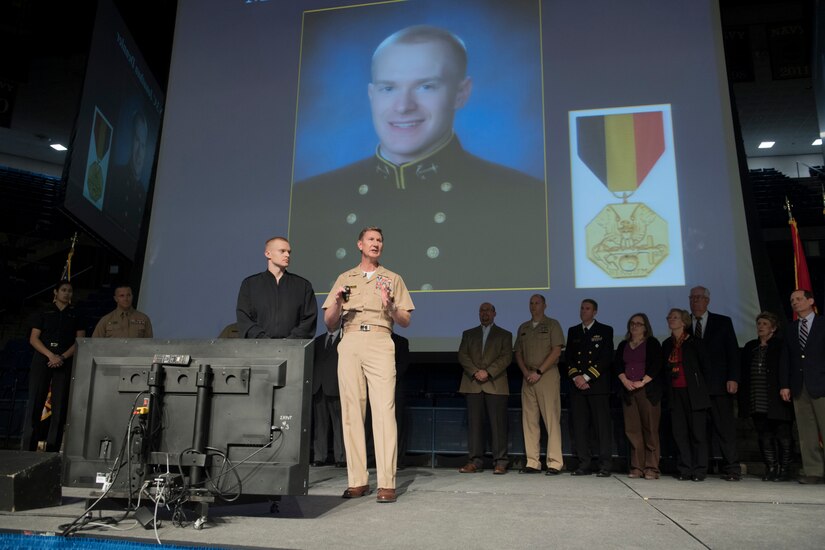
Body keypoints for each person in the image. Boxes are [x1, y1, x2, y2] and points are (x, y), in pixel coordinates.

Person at [290, 25, 547, 292]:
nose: (403, 106)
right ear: (371, 95)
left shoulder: (525, 197)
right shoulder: (308, 198)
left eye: (426, 86)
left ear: (462, 92)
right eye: (388, 88)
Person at [322, 227, 414, 503]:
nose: (376, 244)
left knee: (384, 411)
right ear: (360, 244)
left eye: (380, 240)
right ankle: (357, 481)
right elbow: (328, 322)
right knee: (351, 412)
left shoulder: (393, 278)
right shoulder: (345, 278)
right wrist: (337, 303)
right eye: (371, 240)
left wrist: (390, 306)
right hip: (349, 340)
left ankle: (386, 483)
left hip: (380, 340)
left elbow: (406, 320)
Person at [20, 280, 86, 452]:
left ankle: (53, 448)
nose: (67, 293)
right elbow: (34, 338)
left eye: (70, 291)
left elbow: (80, 341)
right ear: (55, 292)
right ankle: (28, 447)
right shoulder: (43, 311)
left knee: (60, 404)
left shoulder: (76, 314)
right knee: (36, 401)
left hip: (64, 361)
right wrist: (51, 355)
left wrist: (61, 357)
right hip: (43, 359)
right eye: (63, 290)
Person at [688, 285, 741, 480]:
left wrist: (733, 377)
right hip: (695, 388)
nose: (695, 301)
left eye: (699, 298)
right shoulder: (685, 325)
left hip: (719, 385)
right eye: (692, 298)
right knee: (698, 431)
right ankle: (700, 469)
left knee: (724, 429)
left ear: (707, 301)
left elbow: (733, 353)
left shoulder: (722, 322)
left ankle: (733, 468)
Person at [457, 302, 513, 475]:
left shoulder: (505, 334)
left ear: (495, 313)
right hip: (473, 384)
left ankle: (500, 462)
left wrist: (488, 372)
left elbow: (506, 357)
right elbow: (462, 355)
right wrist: (475, 372)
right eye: (482, 310)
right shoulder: (468, 334)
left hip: (495, 384)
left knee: (498, 426)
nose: (484, 313)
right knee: (474, 426)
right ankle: (474, 461)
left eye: (488, 310)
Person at [515, 294, 565, 475]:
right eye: (531, 303)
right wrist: (526, 372)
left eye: (537, 303)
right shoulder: (523, 327)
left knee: (551, 419)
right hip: (528, 377)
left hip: (547, 376)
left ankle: (554, 462)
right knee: (529, 420)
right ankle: (533, 462)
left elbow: (556, 351)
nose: (533, 306)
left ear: (545, 305)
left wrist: (539, 372)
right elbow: (518, 353)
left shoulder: (552, 324)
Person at [740, 312, 794, 481]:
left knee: (783, 435)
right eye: (759, 324)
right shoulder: (750, 347)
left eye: (764, 323)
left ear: (773, 328)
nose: (761, 327)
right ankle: (771, 468)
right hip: (757, 398)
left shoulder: (780, 345)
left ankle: (784, 469)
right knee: (764, 435)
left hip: (777, 398)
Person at [780, 289, 825, 484]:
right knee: (806, 432)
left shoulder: (823, 324)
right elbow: (786, 358)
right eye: (792, 300)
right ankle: (814, 471)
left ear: (811, 301)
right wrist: (784, 385)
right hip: (799, 386)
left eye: (799, 299)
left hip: (821, 383)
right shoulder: (791, 328)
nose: (795, 303)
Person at [565, 299, 614, 476]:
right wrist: (576, 377)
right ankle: (584, 464)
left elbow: (606, 358)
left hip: (597, 386)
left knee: (601, 428)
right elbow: (569, 357)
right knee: (580, 427)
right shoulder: (573, 331)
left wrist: (586, 376)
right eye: (582, 308)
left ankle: (605, 465)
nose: (583, 311)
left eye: (587, 308)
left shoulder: (605, 330)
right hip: (577, 386)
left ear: (595, 312)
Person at [662, 308, 712, 481]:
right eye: (669, 317)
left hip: (694, 393)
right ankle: (685, 468)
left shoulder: (695, 342)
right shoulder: (667, 344)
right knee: (679, 433)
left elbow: (706, 368)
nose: (671, 320)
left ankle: (699, 469)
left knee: (697, 433)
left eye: (674, 317)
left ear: (684, 322)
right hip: (675, 393)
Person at [236, 236, 317, 339]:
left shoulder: (303, 285)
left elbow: (309, 319)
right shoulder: (250, 284)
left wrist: (290, 342)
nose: (287, 255)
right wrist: (263, 340)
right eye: (282, 251)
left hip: (293, 350)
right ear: (268, 254)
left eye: (289, 252)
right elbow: (244, 318)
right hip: (258, 349)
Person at [613, 313, 663, 480]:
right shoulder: (623, 345)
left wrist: (643, 382)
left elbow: (657, 364)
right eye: (632, 323)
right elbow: (618, 365)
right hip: (629, 391)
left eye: (639, 324)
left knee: (650, 429)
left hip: (646, 391)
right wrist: (624, 380)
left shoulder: (652, 343)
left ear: (645, 327)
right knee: (632, 430)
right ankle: (637, 467)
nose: (635, 326)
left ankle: (652, 467)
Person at [104, 110, 149, 238]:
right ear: (130, 141)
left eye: (143, 145)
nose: (139, 152)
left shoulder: (144, 195)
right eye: (136, 140)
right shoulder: (114, 177)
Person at [311, 329, 346, 468]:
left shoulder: (345, 338)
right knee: (320, 424)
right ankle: (319, 457)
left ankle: (341, 457)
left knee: (340, 424)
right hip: (319, 387)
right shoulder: (318, 340)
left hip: (336, 387)